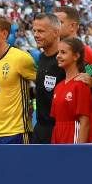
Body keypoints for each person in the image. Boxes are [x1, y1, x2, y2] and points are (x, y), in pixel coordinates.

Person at [0, 16, 37, 144]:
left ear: (4, 34)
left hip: (18, 131)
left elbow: (42, 84)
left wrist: (31, 102)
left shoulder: (21, 58)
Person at [55, 6, 92, 142]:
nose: (55, 27)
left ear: (73, 26)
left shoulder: (87, 55)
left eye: (59, 22)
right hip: (63, 127)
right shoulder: (56, 52)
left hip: (84, 129)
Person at [51, 38, 92, 144]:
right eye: (58, 52)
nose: (58, 56)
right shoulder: (58, 86)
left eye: (63, 52)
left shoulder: (81, 84)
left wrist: (79, 150)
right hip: (58, 136)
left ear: (76, 56)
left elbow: (84, 122)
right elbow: (57, 121)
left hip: (72, 135)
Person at [32, 13, 64, 144]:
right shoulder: (41, 57)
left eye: (41, 31)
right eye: (34, 31)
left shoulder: (67, 60)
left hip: (59, 131)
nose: (36, 35)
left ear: (56, 32)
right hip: (40, 129)